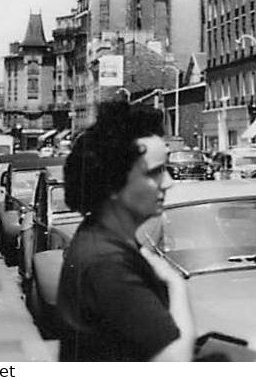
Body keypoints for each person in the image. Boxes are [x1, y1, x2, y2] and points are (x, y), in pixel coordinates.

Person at [56, 99, 195, 361]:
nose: (168, 183)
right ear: (113, 183)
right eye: (154, 172)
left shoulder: (105, 238)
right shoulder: (107, 265)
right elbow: (175, 361)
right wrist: (177, 285)